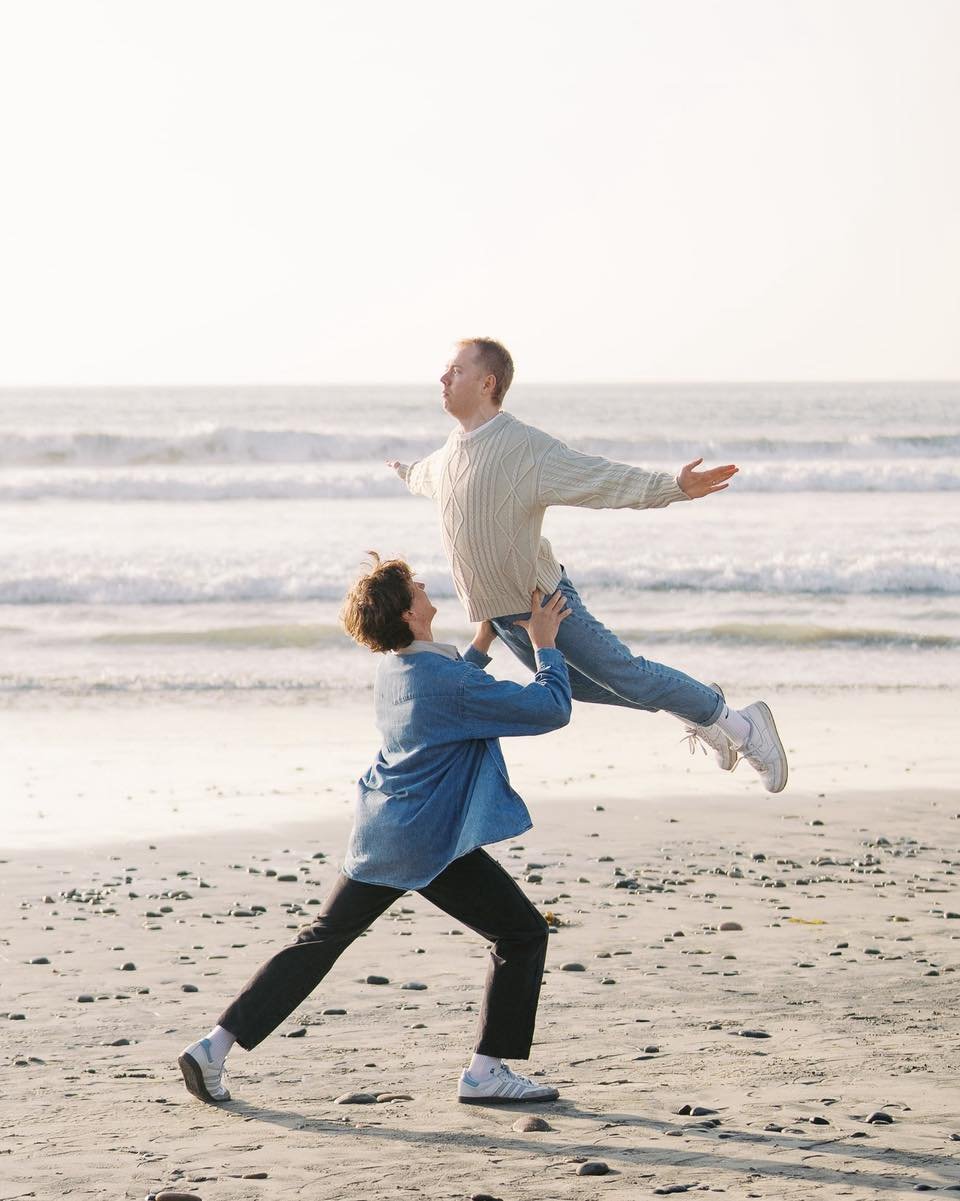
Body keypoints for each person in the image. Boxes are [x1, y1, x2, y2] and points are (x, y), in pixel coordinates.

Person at [178, 554, 573, 1107]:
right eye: (415, 586)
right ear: (410, 615)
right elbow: (550, 708)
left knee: (320, 940)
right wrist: (546, 643)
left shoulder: (398, 669)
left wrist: (484, 639)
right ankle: (485, 1072)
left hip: (380, 829)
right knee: (522, 935)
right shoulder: (443, 681)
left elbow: (453, 697)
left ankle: (213, 1046)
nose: (424, 585)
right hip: (427, 841)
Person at [387, 337, 787, 793]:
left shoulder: (523, 448)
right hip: (502, 618)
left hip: (544, 605)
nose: (443, 379)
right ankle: (702, 705)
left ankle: (745, 727)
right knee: (588, 687)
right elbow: (426, 476)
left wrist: (673, 486)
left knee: (627, 675)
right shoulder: (448, 454)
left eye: (455, 371)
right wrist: (404, 470)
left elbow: (599, 479)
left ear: (487, 383)